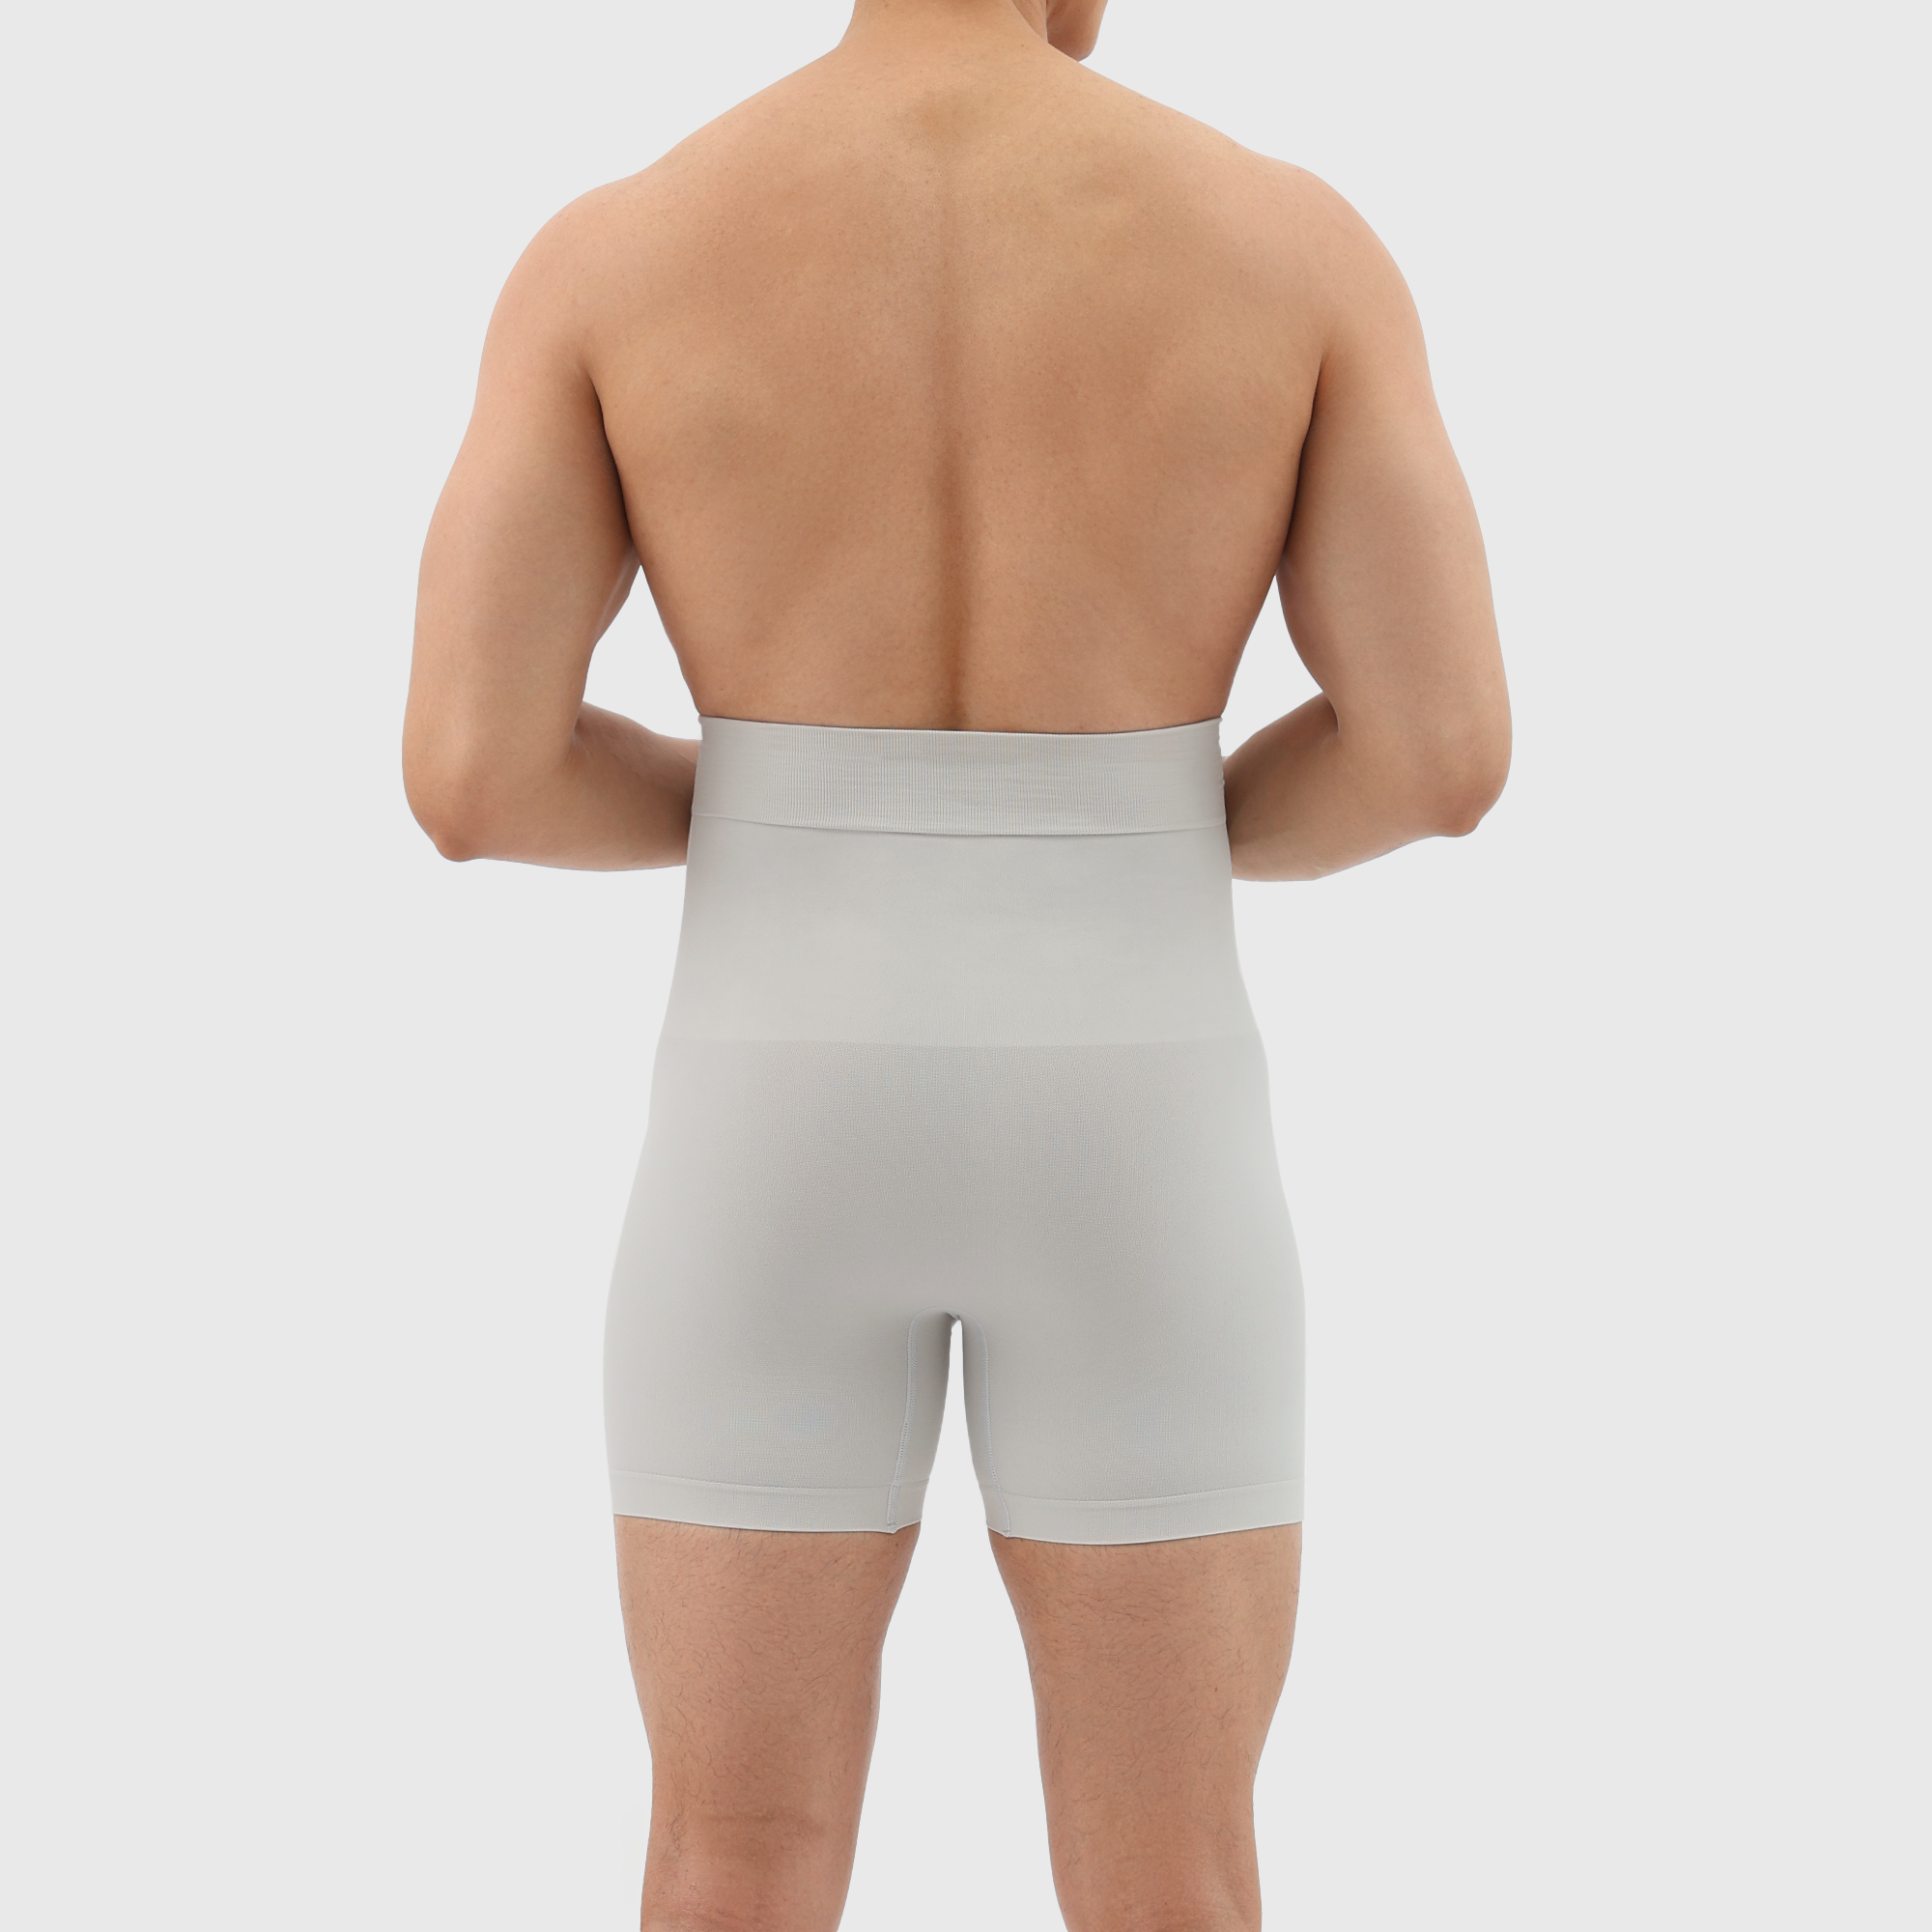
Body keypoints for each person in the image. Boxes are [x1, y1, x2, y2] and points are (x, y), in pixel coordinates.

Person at [402, 0, 1509, 1924]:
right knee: (1173, 1872)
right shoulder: (1290, 243)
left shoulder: (619, 249)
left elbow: (473, 775)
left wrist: (782, 807)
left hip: (770, 1105)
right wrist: (1131, 830)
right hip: (1137, 1103)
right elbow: (1440, 754)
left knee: (733, 1856)